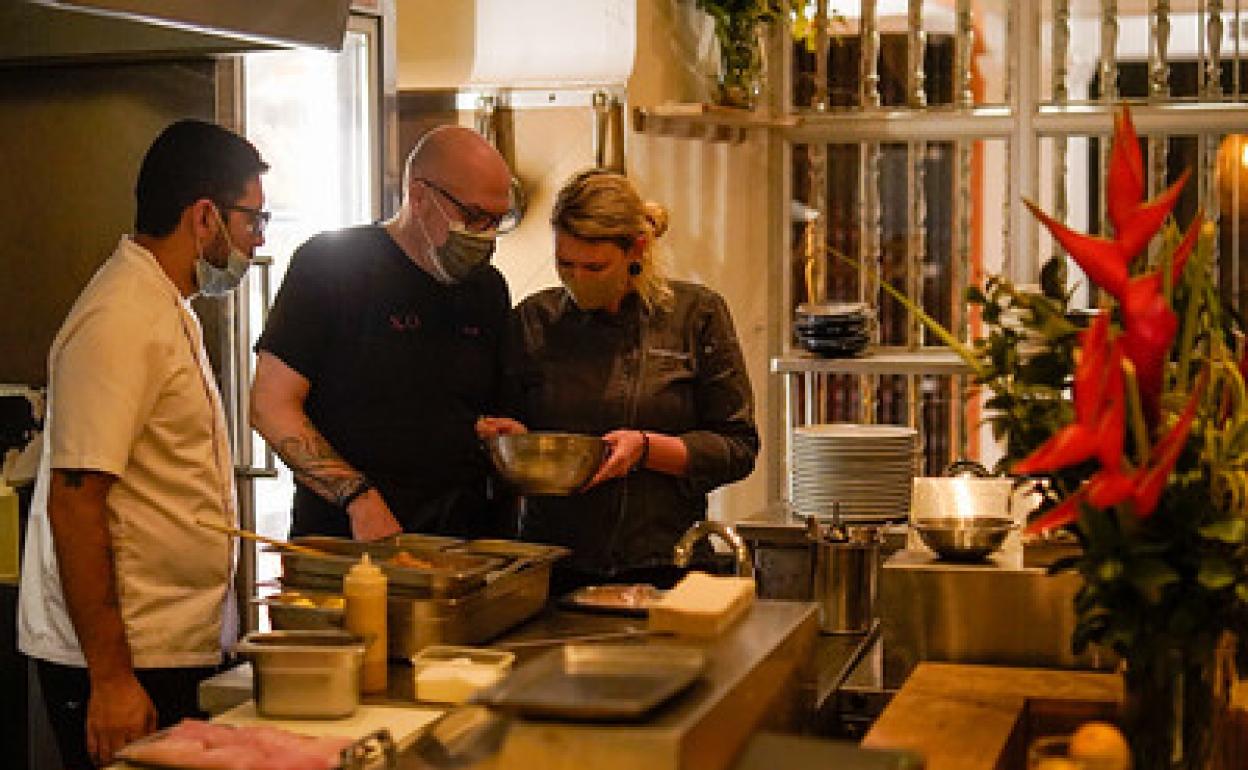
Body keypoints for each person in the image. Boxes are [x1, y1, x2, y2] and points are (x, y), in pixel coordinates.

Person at [17, 119, 269, 769]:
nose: (258, 240)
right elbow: (75, 503)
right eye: (252, 221)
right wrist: (110, 679)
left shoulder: (165, 305)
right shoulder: (119, 316)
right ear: (206, 216)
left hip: (169, 646)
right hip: (124, 662)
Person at [478, 169, 759, 590]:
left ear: (636, 249)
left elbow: (738, 447)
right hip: (557, 570)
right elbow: (520, 437)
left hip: (666, 566)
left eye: (595, 267)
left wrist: (645, 449)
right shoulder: (533, 321)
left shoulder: (695, 315)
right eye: (564, 264)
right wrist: (515, 442)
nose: (577, 280)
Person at [250, 125, 517, 542]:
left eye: (497, 222)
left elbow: (453, 410)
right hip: (344, 547)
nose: (484, 235)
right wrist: (358, 499)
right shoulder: (332, 265)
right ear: (419, 195)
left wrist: (494, 437)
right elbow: (271, 404)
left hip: (457, 547)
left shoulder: (487, 290)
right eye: (473, 216)